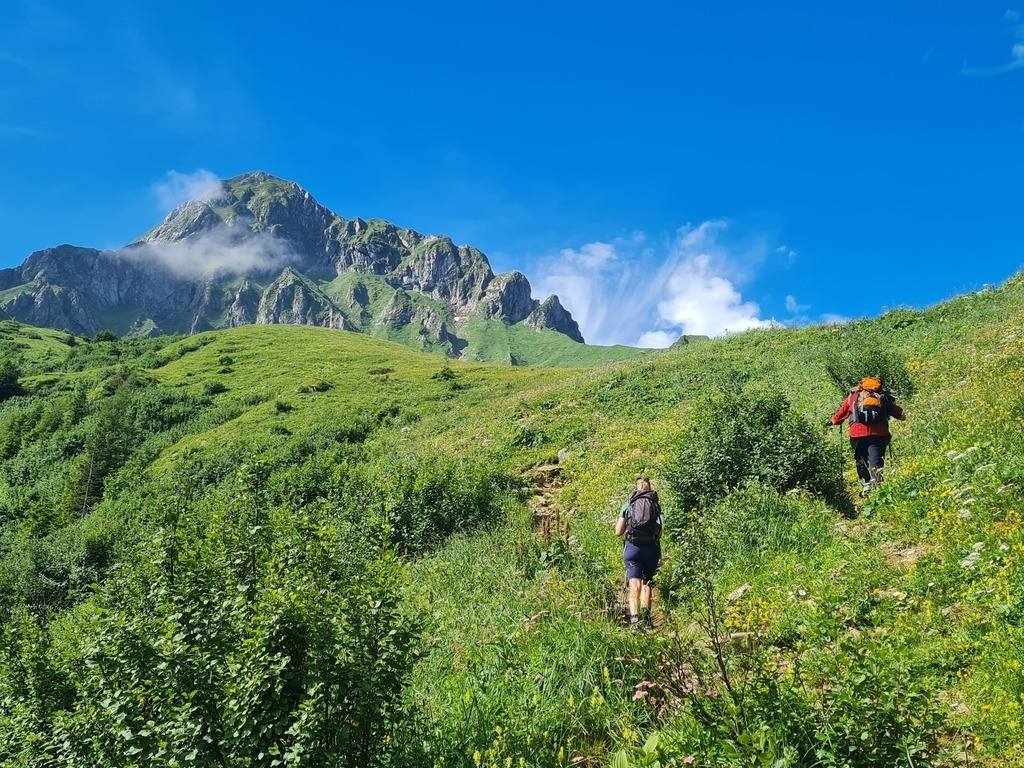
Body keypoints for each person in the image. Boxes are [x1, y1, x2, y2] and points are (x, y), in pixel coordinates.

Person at [831, 376, 906, 495]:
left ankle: (866, 484)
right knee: (876, 459)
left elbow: (840, 415)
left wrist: (834, 420)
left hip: (857, 433)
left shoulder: (854, 396)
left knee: (860, 459)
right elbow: (900, 415)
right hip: (879, 433)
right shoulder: (883, 396)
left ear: (861, 385)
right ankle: (878, 487)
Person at [614, 477, 663, 628]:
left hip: (632, 548)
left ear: (635, 489)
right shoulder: (655, 505)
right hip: (651, 549)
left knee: (634, 583)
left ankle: (635, 620)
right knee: (645, 582)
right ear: (649, 489)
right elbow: (660, 533)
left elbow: (618, 532)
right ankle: (647, 618)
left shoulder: (628, 504)